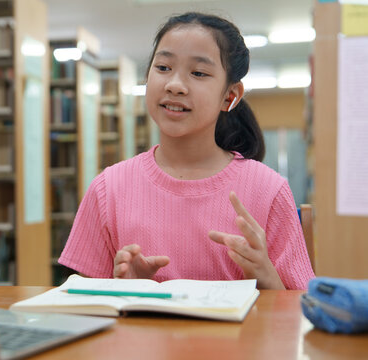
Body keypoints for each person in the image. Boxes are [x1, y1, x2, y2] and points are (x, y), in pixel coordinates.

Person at [58, 12, 315, 290]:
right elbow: (84, 305)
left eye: (198, 73)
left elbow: (300, 311)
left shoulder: (268, 190)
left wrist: (264, 274)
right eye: (163, 67)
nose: (174, 85)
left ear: (230, 96)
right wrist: (126, 289)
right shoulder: (108, 188)